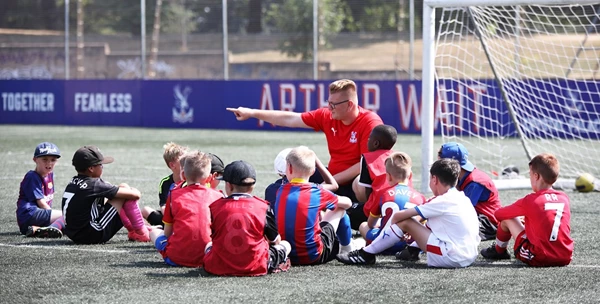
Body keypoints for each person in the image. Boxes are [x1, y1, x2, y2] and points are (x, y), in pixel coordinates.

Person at [227, 79, 383, 227]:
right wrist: (252, 113)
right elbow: (291, 119)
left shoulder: (370, 122)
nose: (329, 108)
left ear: (349, 105)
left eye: (333, 104)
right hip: (333, 180)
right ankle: (283, 217)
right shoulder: (327, 116)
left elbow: (365, 164)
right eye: (328, 103)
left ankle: (368, 214)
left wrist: (326, 184)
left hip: (351, 186)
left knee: (360, 184)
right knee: (285, 178)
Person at [337, 159, 481, 268]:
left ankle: (366, 254)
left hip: (453, 257)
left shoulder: (441, 201)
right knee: (427, 223)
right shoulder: (461, 197)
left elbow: (398, 217)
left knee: (405, 222)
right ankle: (412, 250)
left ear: (434, 179)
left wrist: (403, 228)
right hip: (469, 254)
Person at [480, 153, 573, 267]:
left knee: (508, 219)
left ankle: (499, 251)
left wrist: (523, 219)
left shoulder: (531, 200)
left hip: (540, 257)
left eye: (530, 175)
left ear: (536, 176)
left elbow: (499, 214)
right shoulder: (564, 198)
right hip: (565, 256)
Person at [203, 160, 292, 276]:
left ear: (228, 185)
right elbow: (276, 240)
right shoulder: (263, 207)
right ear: (253, 186)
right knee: (285, 245)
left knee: (208, 245)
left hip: (218, 266)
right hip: (256, 265)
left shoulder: (215, 206)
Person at [274, 146, 353, 265]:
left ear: (288, 168)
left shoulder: (280, 190)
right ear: (312, 171)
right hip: (314, 256)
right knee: (340, 208)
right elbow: (348, 203)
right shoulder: (317, 192)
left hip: (288, 253)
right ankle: (348, 248)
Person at [62, 146, 150, 244]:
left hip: (75, 234)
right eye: (100, 165)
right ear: (91, 168)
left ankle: (135, 229)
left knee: (120, 191)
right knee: (125, 190)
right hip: (91, 234)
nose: (102, 167)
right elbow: (135, 195)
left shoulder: (73, 181)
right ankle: (141, 232)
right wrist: (135, 190)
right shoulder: (94, 184)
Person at [149, 151, 224, 267]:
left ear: (183, 176)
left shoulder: (174, 195)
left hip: (176, 258)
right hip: (208, 257)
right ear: (209, 178)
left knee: (154, 232)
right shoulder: (218, 196)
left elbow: (168, 233)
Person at [359, 152, 426, 254]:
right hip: (407, 243)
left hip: (383, 244)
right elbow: (422, 224)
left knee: (363, 225)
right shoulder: (420, 197)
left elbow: (370, 224)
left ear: (388, 176)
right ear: (410, 175)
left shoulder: (382, 194)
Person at [438, 142, 501, 241]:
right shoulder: (462, 176)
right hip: (477, 217)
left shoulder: (474, 183)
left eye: (440, 161)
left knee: (451, 229)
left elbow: (463, 210)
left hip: (489, 224)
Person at [16, 142, 64, 238]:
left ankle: (37, 230)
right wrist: (53, 215)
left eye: (53, 160)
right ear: (35, 160)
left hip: (33, 222)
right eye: (44, 159)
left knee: (69, 223)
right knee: (68, 216)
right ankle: (52, 228)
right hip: (29, 214)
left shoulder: (49, 174)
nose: (49, 163)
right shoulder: (32, 176)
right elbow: (41, 203)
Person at [142, 142, 188, 227]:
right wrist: (169, 218)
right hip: (169, 216)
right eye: (183, 160)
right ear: (172, 165)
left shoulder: (190, 180)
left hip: (185, 216)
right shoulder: (165, 182)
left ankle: (159, 228)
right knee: (145, 210)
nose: (187, 162)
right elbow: (163, 205)